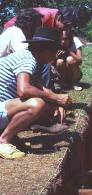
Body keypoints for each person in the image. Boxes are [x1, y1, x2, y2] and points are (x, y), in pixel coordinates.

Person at [0, 27, 72, 159]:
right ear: (44, 49)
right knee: (36, 104)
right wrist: (55, 97)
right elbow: (23, 90)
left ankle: (9, 137)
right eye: (55, 50)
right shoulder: (27, 59)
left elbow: (40, 88)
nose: (56, 54)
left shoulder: (34, 60)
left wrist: (55, 101)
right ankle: (3, 140)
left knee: (42, 104)